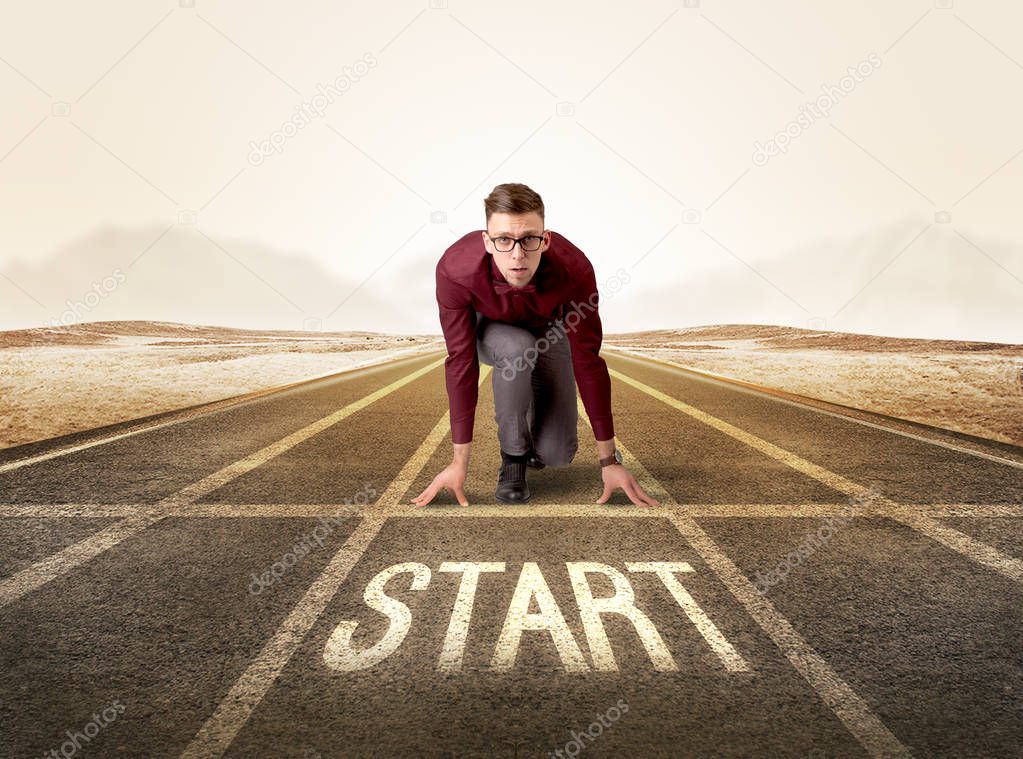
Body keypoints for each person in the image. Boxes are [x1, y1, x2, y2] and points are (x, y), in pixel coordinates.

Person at [410, 182, 658, 507]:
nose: (517, 255)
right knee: (516, 347)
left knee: (557, 454)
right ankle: (513, 459)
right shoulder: (455, 270)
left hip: (549, 330)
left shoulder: (576, 269)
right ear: (487, 241)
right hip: (492, 331)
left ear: (546, 239)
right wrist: (459, 463)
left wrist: (608, 461)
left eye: (529, 239)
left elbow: (588, 360)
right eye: (503, 240)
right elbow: (460, 361)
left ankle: (533, 443)